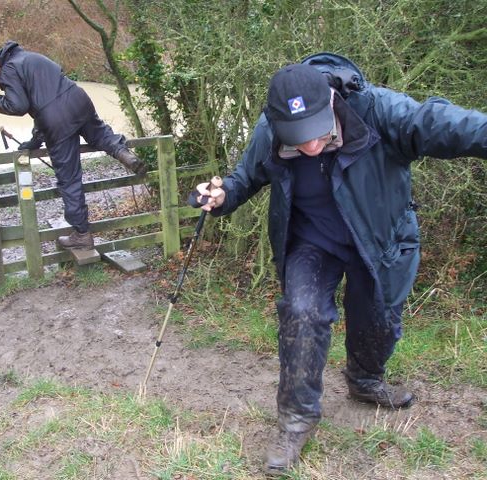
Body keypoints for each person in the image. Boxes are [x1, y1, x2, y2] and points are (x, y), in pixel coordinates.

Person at [192, 52, 487, 475]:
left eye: (316, 132)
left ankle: (365, 381)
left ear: (332, 103)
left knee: (377, 317)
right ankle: (296, 419)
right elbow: (245, 177)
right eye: (297, 138)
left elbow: (442, 123)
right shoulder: (271, 126)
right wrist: (222, 197)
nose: (310, 146)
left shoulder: (379, 110)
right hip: (312, 240)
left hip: (378, 238)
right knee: (302, 311)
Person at [0, 40, 147, 250]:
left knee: (68, 178)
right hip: (79, 99)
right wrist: (36, 140)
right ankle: (125, 154)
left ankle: (82, 235)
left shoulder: (8, 68)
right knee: (100, 134)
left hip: (57, 121)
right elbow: (43, 102)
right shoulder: (32, 57)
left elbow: (19, 106)